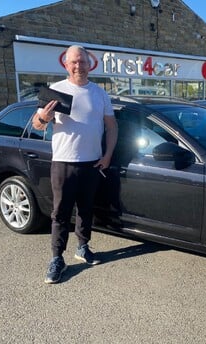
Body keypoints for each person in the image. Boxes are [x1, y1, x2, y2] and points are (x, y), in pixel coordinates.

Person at [32, 45, 118, 284]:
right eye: (74, 62)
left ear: (90, 64)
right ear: (66, 65)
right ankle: (57, 258)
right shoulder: (55, 91)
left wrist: (108, 154)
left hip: (92, 163)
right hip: (63, 163)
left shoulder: (100, 94)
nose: (79, 65)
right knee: (60, 213)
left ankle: (82, 247)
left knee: (86, 209)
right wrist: (44, 118)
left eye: (82, 61)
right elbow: (37, 124)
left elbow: (111, 126)